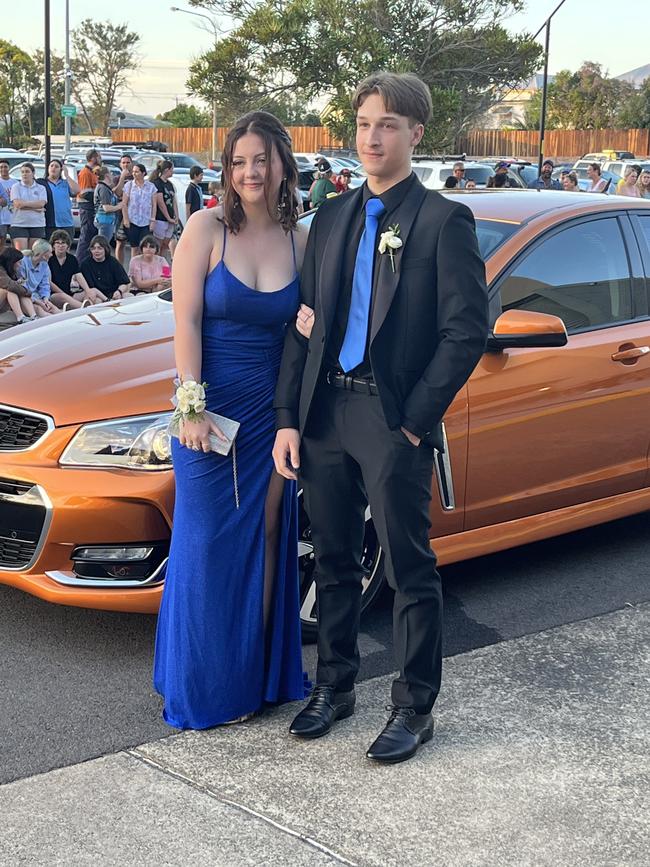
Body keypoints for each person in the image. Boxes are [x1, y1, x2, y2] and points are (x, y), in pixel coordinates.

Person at [273, 71, 489, 764]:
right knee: (333, 558)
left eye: (388, 125)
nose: (372, 136)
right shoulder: (331, 216)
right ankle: (333, 685)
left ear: (415, 134)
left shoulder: (441, 221)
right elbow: (303, 326)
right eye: (365, 122)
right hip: (325, 411)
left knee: (406, 566)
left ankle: (414, 704)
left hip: (390, 416)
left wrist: (413, 421)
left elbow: (466, 331)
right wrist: (288, 416)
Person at [153, 110, 315, 730]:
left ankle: (258, 677)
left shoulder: (299, 239)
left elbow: (310, 324)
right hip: (210, 412)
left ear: (282, 165)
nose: (251, 171)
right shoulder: (205, 228)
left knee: (270, 534)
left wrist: (308, 326)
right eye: (239, 160)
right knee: (205, 539)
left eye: (262, 159)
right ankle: (204, 683)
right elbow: (185, 322)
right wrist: (190, 404)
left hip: (274, 412)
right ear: (227, 169)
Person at [48, 229, 105, 306]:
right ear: (53, 245)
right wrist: (64, 294)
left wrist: (88, 290)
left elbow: (79, 276)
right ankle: (83, 309)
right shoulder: (49, 259)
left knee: (91, 294)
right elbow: (49, 282)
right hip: (54, 295)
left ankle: (99, 306)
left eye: (63, 243)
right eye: (57, 243)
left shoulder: (72, 259)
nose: (60, 245)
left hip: (70, 294)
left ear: (68, 245)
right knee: (62, 296)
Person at [37, 158, 79, 242]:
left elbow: (77, 190)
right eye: (51, 166)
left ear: (61, 170)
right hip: (50, 223)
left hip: (66, 222)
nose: (53, 168)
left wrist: (67, 176)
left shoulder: (65, 183)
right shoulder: (42, 183)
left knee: (65, 248)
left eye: (56, 166)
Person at [80, 235, 132, 301]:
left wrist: (119, 291)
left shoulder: (113, 262)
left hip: (113, 293)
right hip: (97, 295)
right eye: (93, 248)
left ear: (105, 249)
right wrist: (106, 300)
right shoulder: (85, 264)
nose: (96, 251)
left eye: (100, 248)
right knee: (96, 300)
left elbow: (125, 283)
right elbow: (90, 289)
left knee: (129, 296)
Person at [10, 163, 47, 251]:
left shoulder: (41, 188)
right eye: (22, 172)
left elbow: (41, 203)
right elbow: (18, 204)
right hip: (19, 224)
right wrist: (36, 208)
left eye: (27, 172)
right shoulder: (16, 187)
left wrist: (25, 204)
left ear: (33, 173)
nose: (24, 174)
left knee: (34, 253)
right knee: (22, 254)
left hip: (37, 224)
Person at [122, 163, 158, 255]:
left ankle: (144, 267)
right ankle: (134, 268)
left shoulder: (151, 187)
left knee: (145, 247)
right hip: (132, 221)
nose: (134, 174)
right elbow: (124, 204)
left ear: (143, 173)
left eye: (137, 172)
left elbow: (154, 204)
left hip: (146, 221)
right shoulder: (129, 185)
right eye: (133, 172)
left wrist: (153, 220)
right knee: (134, 247)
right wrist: (126, 219)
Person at [18, 240, 60, 317]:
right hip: (23, 297)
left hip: (36, 296)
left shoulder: (44, 265)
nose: (51, 255)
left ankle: (68, 320)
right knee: (39, 309)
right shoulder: (23, 262)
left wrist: (45, 298)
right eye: (50, 252)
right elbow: (22, 288)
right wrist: (38, 302)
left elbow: (45, 285)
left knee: (52, 307)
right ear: (43, 254)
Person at [76, 148, 102, 263]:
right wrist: (99, 199)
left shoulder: (93, 172)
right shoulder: (85, 173)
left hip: (92, 208)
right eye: (99, 156)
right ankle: (79, 262)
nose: (101, 159)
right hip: (86, 208)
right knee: (86, 237)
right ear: (93, 158)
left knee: (91, 236)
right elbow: (84, 193)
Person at [0, 247, 37, 324]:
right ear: (12, 261)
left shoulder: (11, 270)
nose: (20, 265)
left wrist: (20, 285)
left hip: (4, 304)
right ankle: (20, 317)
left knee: (20, 291)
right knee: (10, 290)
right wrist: (28, 292)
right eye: (19, 262)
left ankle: (33, 316)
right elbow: (10, 286)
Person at [150, 159, 178, 259]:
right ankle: (155, 266)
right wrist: (168, 217)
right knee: (158, 244)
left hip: (170, 219)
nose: (173, 171)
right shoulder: (157, 183)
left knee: (165, 245)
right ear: (167, 170)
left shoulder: (169, 184)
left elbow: (174, 200)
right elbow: (160, 202)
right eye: (172, 169)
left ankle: (162, 266)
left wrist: (176, 216)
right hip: (160, 218)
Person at [113, 153, 135, 264]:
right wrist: (122, 177)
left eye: (128, 162)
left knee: (134, 244)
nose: (126, 165)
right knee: (120, 242)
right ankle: (119, 268)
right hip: (120, 214)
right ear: (120, 164)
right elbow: (117, 193)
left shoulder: (137, 177)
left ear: (132, 163)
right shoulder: (117, 178)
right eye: (124, 163)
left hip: (134, 214)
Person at [93, 166, 123, 242]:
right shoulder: (103, 188)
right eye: (110, 173)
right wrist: (119, 206)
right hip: (104, 221)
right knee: (103, 244)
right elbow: (106, 208)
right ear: (106, 175)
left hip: (107, 221)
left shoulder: (105, 187)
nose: (112, 175)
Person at [0, 159, 13, 250]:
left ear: (9, 168)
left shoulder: (15, 182)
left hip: (13, 216)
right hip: (2, 217)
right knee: (2, 240)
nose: (3, 169)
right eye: (1, 167)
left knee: (14, 240)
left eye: (5, 167)